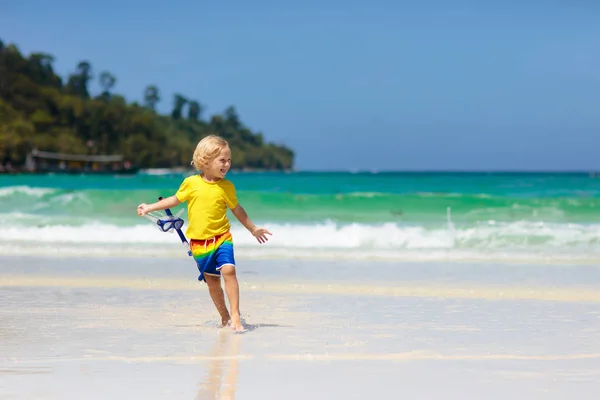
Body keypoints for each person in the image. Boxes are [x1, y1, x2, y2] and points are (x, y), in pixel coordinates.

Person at [136, 135, 271, 332]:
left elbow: (237, 210)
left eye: (229, 160)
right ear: (205, 161)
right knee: (213, 282)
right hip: (199, 243)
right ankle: (224, 316)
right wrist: (150, 207)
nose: (227, 164)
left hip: (222, 237)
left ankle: (235, 315)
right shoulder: (191, 183)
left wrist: (253, 228)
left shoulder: (227, 187)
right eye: (222, 160)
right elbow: (175, 200)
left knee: (229, 272)